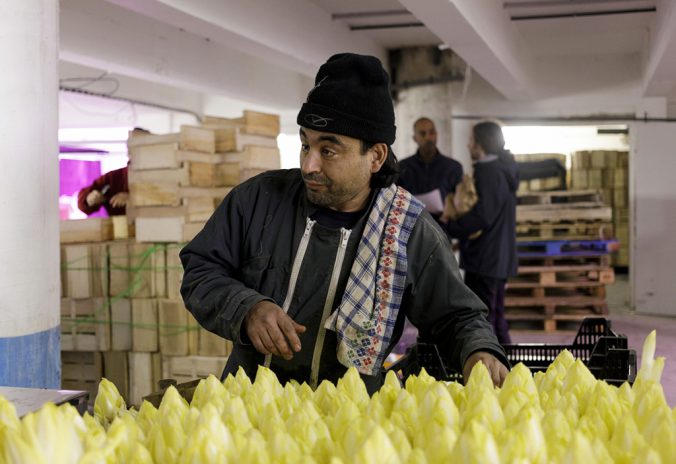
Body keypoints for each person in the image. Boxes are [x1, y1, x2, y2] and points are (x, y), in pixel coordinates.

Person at [180, 53, 509, 393]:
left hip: (351, 424)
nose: (309, 164)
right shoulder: (258, 200)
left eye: (328, 151)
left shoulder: (408, 231)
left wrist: (478, 351)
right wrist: (246, 307)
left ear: (376, 157)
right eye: (305, 144)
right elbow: (202, 269)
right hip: (248, 407)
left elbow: (457, 316)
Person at [442, 121, 519, 345]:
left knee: (484, 318)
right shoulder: (502, 170)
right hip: (496, 256)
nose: (468, 145)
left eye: (471, 140)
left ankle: (499, 372)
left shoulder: (489, 172)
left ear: (481, 143)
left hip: (487, 257)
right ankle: (508, 372)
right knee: (494, 315)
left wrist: (448, 227)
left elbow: (482, 217)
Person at [397, 117, 464, 221]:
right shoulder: (402, 167)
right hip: (412, 229)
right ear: (415, 138)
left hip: (444, 229)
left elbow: (461, 204)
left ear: (437, 134)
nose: (428, 137)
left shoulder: (453, 167)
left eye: (432, 132)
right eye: (423, 134)